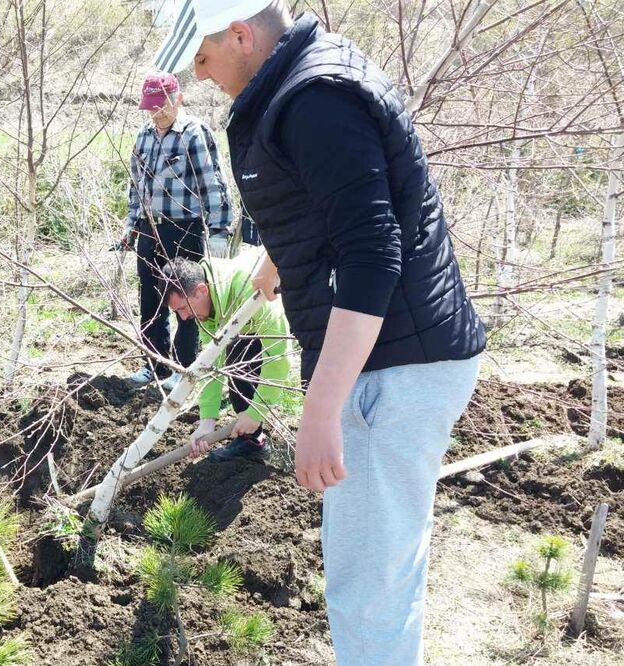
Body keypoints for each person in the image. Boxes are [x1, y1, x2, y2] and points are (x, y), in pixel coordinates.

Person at [154, 2, 487, 664]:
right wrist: (277, 262)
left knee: (368, 590)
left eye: (203, 58)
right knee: (383, 575)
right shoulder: (299, 86)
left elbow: (370, 252)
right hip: (399, 356)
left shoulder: (313, 99)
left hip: (393, 365)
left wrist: (322, 407)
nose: (201, 77)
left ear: (242, 35)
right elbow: (327, 202)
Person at [122, 70, 234, 391]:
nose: (157, 112)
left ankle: (184, 369)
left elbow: (213, 184)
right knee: (150, 299)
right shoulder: (143, 136)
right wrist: (132, 224)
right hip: (148, 230)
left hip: (183, 231)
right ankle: (153, 365)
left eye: (162, 105)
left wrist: (218, 229)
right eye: (151, 107)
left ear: (178, 98)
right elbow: (136, 186)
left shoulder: (194, 134)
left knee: (183, 300)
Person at [160, 255, 291, 462]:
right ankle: (252, 440)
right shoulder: (207, 305)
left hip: (302, 306)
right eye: (176, 312)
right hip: (248, 324)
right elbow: (211, 363)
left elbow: (279, 358)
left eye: (183, 309)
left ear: (202, 290)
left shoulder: (251, 290)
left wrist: (256, 412)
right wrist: (207, 419)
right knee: (235, 365)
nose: (183, 318)